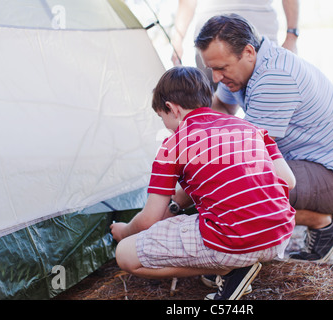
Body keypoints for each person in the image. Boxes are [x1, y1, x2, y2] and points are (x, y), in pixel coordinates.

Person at [194, 14, 333, 263]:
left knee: (238, 188)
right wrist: (194, 133)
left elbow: (244, 155)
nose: (216, 79)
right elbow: (221, 106)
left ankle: (322, 223)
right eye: (212, 69)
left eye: (222, 68)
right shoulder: (244, 67)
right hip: (308, 163)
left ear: (248, 52)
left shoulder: (274, 78)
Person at [111, 66, 296, 300]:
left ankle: (228, 269)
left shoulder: (174, 144)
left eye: (162, 118)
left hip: (232, 241)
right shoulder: (251, 128)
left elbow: (149, 219)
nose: (166, 126)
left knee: (124, 255)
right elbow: (288, 182)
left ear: (171, 108)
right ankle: (239, 262)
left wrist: (125, 231)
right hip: (278, 235)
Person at [171, 0, 299, 89]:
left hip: (259, 41)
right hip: (208, 46)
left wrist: (291, 36)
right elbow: (187, 2)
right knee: (213, 104)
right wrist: (178, 38)